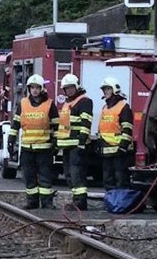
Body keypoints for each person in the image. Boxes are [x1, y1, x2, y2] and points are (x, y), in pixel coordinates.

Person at [7, 75, 59, 209]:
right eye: (32, 87)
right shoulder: (23, 103)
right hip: (27, 148)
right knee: (29, 177)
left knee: (45, 177)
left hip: (44, 148)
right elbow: (16, 124)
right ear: (29, 89)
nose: (34, 90)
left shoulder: (49, 104)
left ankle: (47, 202)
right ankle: (32, 202)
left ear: (42, 89)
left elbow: (56, 126)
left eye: (37, 87)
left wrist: (56, 143)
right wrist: (11, 140)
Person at [56, 73, 93, 210]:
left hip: (77, 145)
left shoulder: (84, 101)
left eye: (71, 88)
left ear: (76, 87)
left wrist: (82, 140)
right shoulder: (68, 103)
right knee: (69, 175)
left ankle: (80, 203)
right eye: (66, 88)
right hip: (67, 145)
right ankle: (76, 200)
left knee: (77, 175)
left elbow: (86, 121)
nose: (69, 90)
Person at [97, 77, 134, 192]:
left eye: (108, 89)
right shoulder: (105, 108)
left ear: (114, 90)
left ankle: (122, 204)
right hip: (107, 152)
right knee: (108, 180)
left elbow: (127, 129)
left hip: (120, 153)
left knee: (121, 179)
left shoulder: (123, 107)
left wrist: (123, 147)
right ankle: (112, 203)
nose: (106, 92)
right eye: (104, 90)